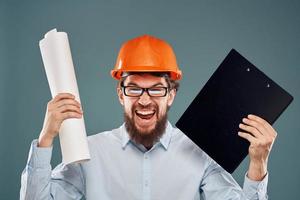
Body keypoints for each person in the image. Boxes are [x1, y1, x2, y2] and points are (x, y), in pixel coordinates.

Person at [20, 35, 277, 200]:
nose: (144, 100)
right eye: (134, 88)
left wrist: (258, 166)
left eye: (156, 89)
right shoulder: (89, 154)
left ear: (171, 95)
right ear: (121, 94)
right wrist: (46, 139)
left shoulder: (199, 155)